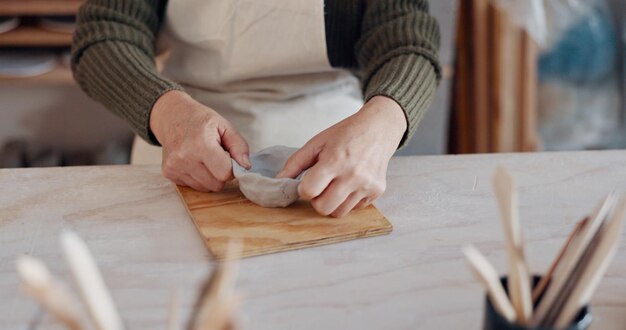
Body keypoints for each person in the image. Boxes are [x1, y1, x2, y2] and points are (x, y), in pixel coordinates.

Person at [71, 0, 441, 217]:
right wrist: (166, 111)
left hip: (337, 141)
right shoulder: (174, 120)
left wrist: (383, 123)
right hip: (183, 132)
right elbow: (105, 32)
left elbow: (408, 40)